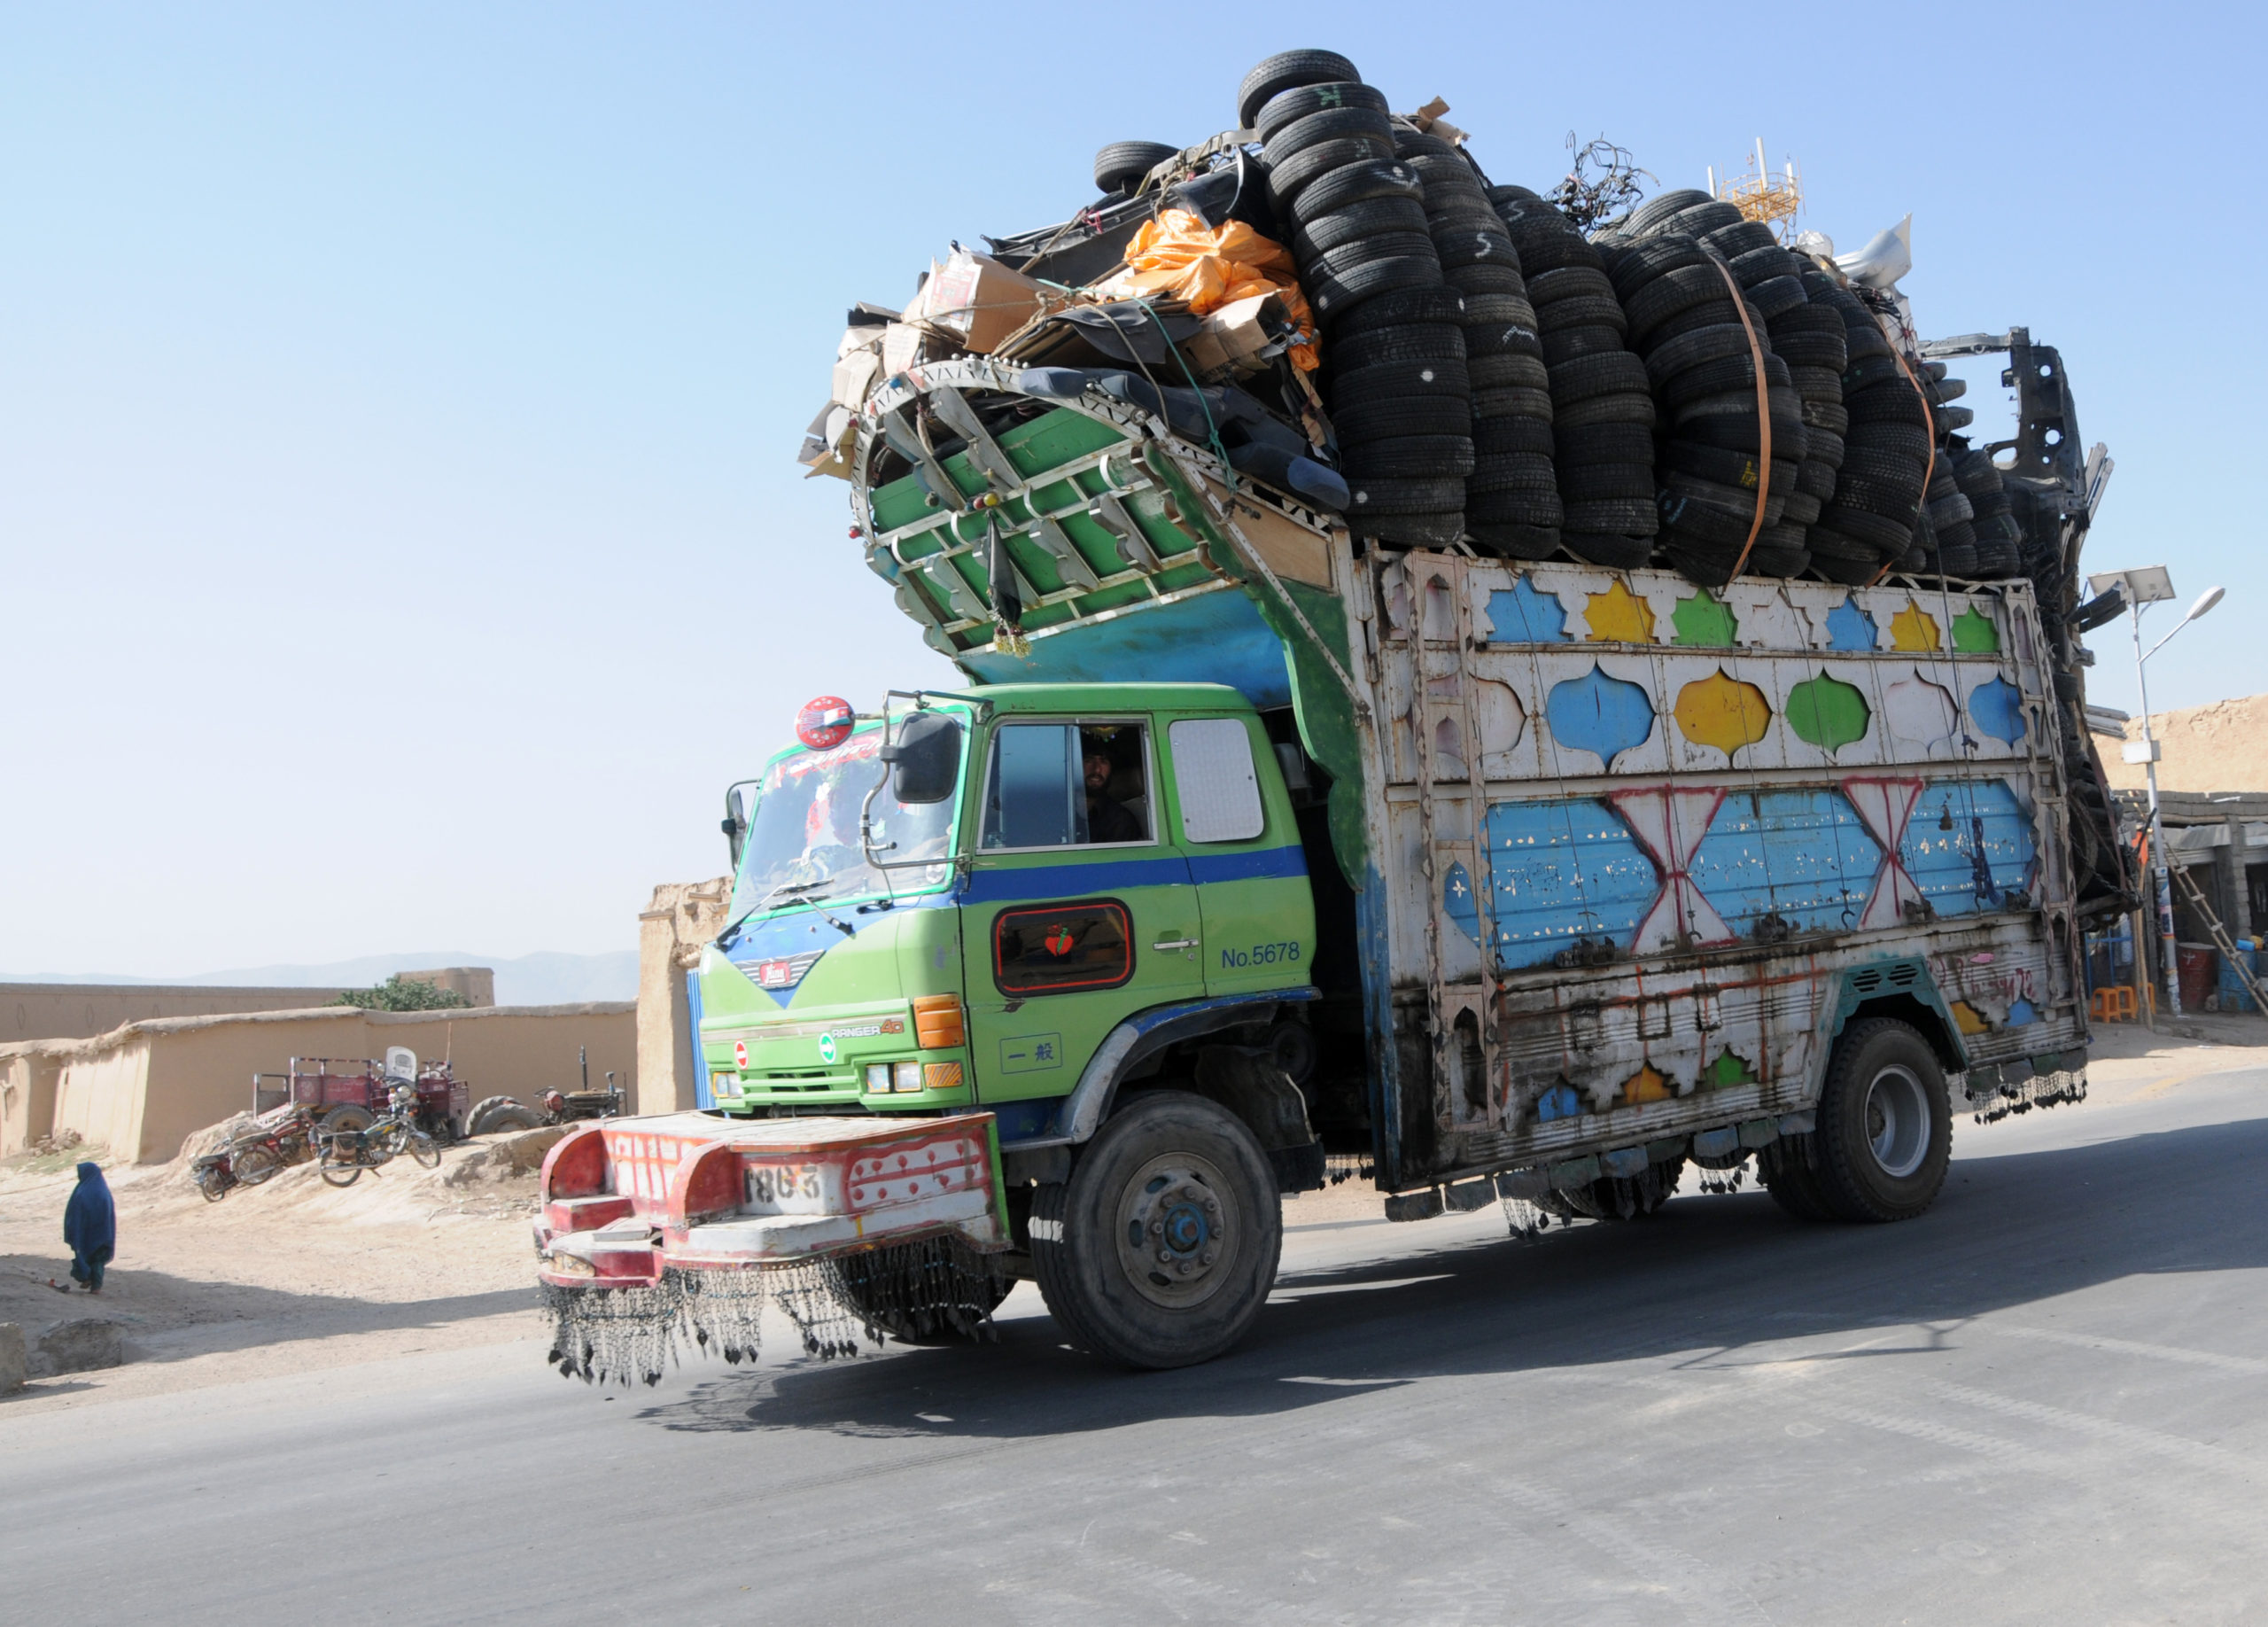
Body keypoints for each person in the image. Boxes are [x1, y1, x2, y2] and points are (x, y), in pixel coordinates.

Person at [63, 1161, 114, 1294]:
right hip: (103, 1232)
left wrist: (73, 1230)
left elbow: (75, 1214)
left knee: (84, 1255)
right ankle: (96, 1285)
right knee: (98, 1260)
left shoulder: (82, 1192)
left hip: (85, 1233)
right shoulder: (104, 1192)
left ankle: (88, 1279)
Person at [1084, 747, 1141, 843]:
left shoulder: (1119, 820)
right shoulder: (1059, 811)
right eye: (1089, 761)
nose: (1097, 770)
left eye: (1103, 762)